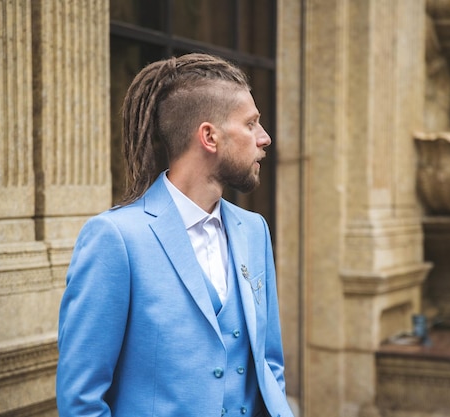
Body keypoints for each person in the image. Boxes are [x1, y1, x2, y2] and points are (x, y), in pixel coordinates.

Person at [56, 53, 294, 417]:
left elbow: (268, 364)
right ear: (209, 137)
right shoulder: (115, 238)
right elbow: (81, 400)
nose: (264, 138)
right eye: (251, 124)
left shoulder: (254, 231)